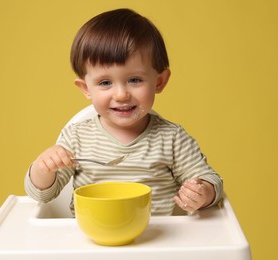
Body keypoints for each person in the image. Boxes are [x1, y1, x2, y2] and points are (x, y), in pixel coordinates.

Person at [25, 8, 223, 215]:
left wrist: (203, 192)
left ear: (159, 81)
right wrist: (42, 168)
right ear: (86, 89)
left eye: (134, 80)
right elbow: (42, 195)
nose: (121, 95)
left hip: (157, 242)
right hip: (92, 242)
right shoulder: (76, 138)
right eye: (105, 82)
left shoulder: (172, 139)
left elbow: (210, 180)